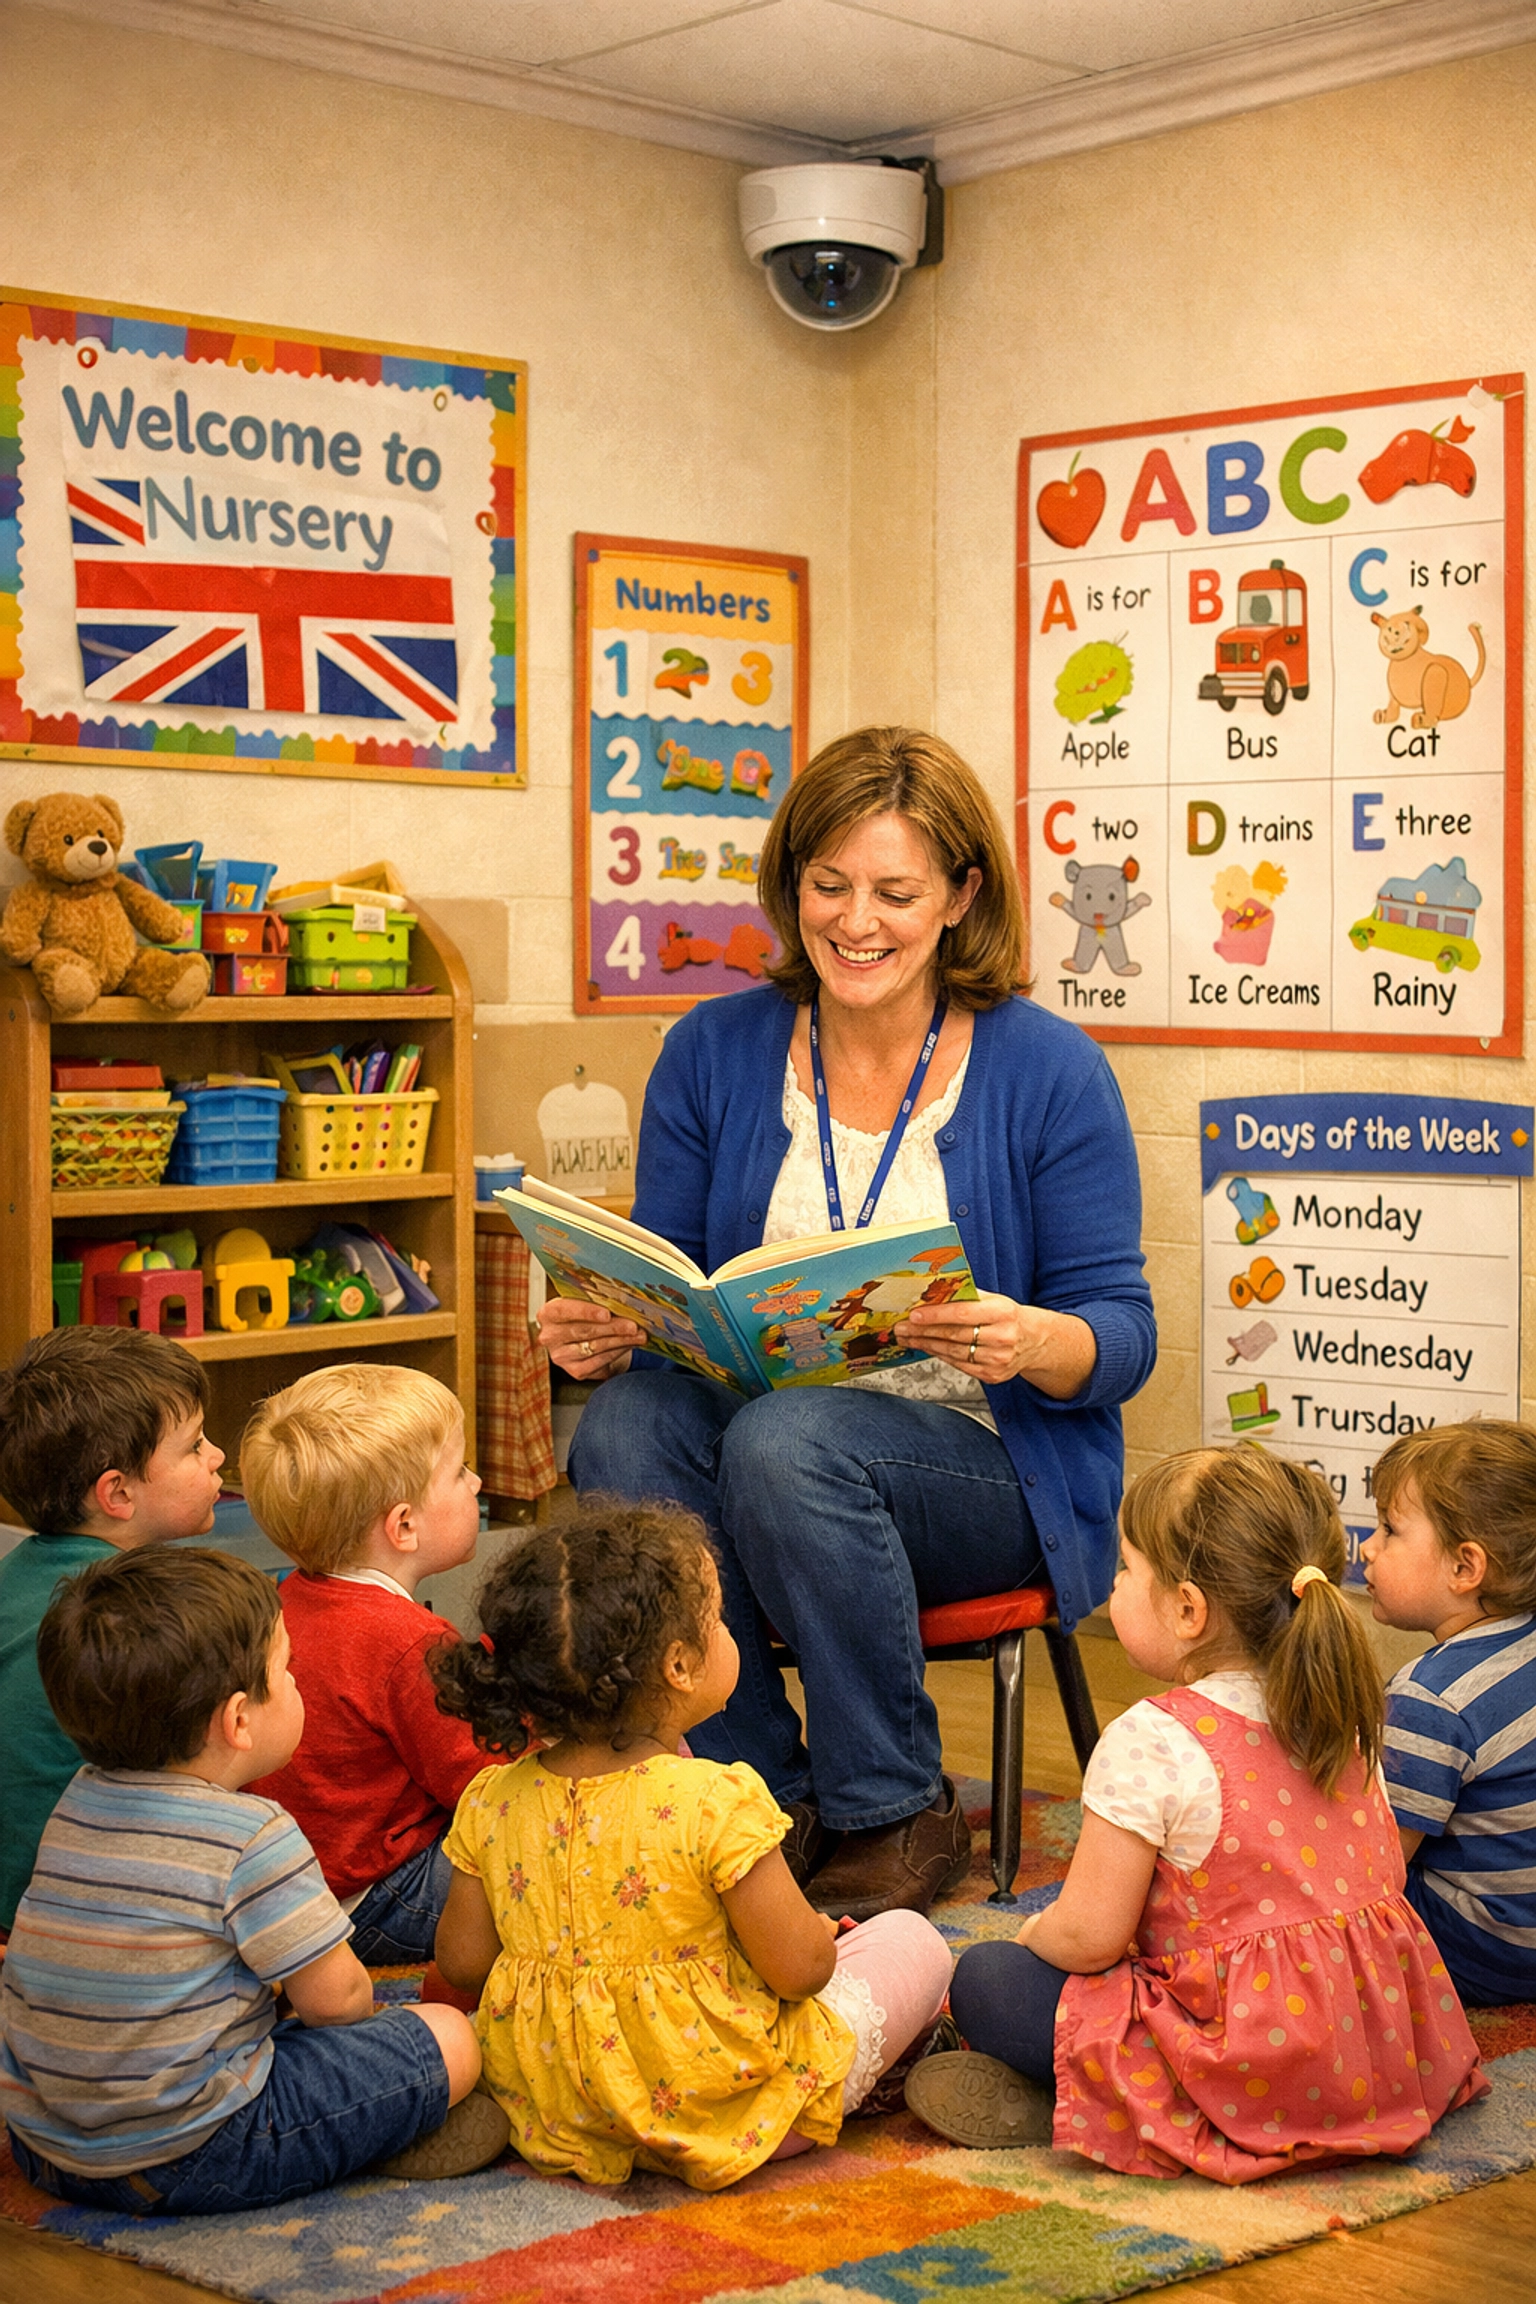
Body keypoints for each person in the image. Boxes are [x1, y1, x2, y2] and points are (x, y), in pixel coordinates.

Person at [544, 726, 1155, 1920]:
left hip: (985, 1475)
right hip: (772, 1445)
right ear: (791, 885)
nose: (856, 921)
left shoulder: (1051, 1069)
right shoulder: (711, 1051)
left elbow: (1120, 1336)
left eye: (895, 891)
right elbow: (665, 1274)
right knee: (622, 1427)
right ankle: (756, 1796)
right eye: (829, 885)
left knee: (789, 1441)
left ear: (961, 897)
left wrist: (1033, 1337)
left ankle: (894, 1805)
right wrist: (610, 1323)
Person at [905, 1447, 1489, 2180]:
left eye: (1125, 1569)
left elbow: (1089, 1938)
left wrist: (1034, 1934)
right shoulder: (1344, 1705)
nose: (1114, 1587)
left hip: (1247, 2065)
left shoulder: (1154, 1738)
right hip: (1376, 2053)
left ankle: (1102, 2104)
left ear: (1188, 1609)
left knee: (990, 1977)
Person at [428, 1497, 954, 2190]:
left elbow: (462, 1963)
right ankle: (892, 2074)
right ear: (679, 1665)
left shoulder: (492, 1798)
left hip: (553, 2106)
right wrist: (817, 1937)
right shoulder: (715, 1801)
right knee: (913, 1941)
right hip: (727, 2111)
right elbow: (801, 1973)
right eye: (718, 1619)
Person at [0, 1549, 505, 2213]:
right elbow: (339, 2003)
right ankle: (382, 2127)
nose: (298, 1685)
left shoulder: (78, 1800)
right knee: (449, 2036)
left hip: (47, 2147)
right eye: (287, 1672)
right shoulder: (253, 1833)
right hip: (201, 2152)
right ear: (239, 1721)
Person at [243, 1364, 489, 1965]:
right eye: (459, 1472)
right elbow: (484, 1783)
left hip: (290, 1893)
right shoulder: (409, 1642)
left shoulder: (284, 1599)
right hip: (381, 1901)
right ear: (403, 1526)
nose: (477, 1483)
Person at [0, 1326, 225, 1933]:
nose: (217, 1457)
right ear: (118, 1492)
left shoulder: (16, 1573)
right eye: (195, 1445)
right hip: (77, 1909)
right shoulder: (141, 1612)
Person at [1363, 1420, 1536, 2006]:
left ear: (1466, 1568)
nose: (1368, 1545)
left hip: (1485, 1947)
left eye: (1390, 1530)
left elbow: (1374, 1870)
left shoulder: (1430, 1698)